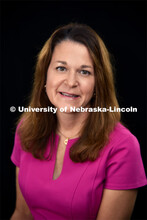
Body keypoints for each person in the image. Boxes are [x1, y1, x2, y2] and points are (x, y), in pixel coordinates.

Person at [10, 23, 147, 220]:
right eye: (61, 68)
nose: (71, 81)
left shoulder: (123, 146)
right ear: (45, 75)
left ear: (98, 83)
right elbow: (22, 214)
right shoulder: (27, 129)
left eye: (84, 72)